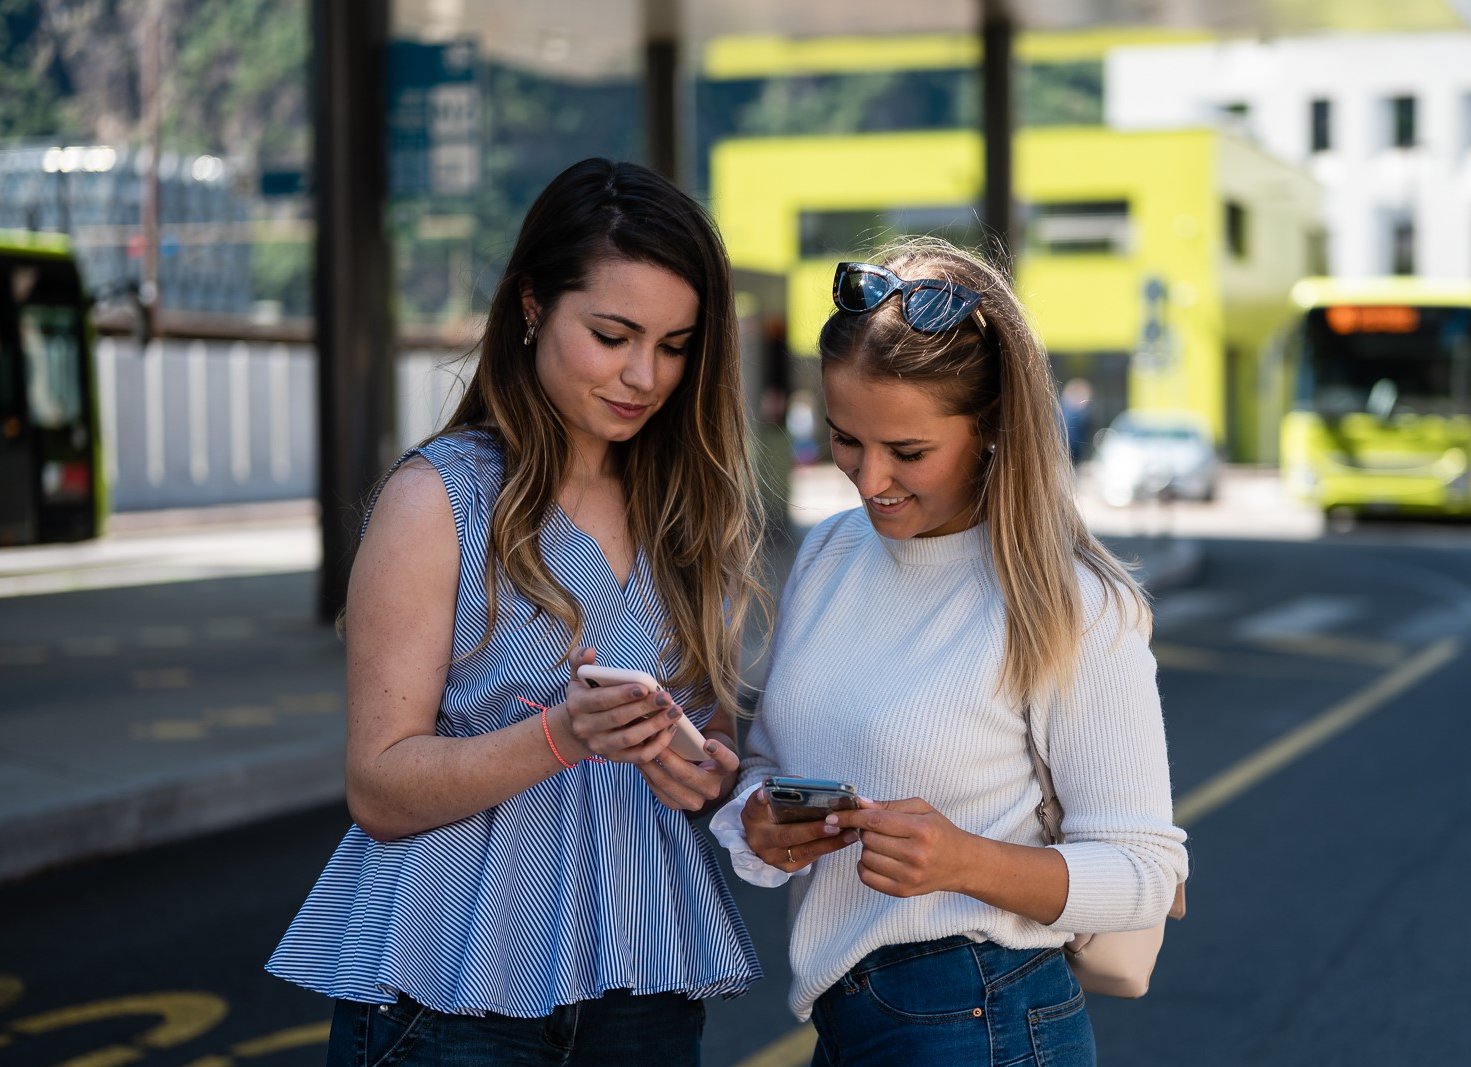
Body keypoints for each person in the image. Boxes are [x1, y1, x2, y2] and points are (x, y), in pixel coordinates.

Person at [268, 158, 765, 1066]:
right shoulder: (439, 499)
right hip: (454, 983)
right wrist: (561, 737)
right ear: (532, 306)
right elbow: (378, 786)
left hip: (643, 983)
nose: (644, 375)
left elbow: (711, 744)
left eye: (676, 344)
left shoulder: (689, 510)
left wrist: (704, 775)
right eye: (612, 334)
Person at [710, 240, 1189, 1066]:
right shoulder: (827, 554)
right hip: (845, 1017)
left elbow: (1147, 875)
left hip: (983, 1014)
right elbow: (768, 760)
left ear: (993, 426)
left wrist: (965, 860)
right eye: (845, 439)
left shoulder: (1070, 600)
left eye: (908, 451)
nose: (869, 479)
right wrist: (758, 820)